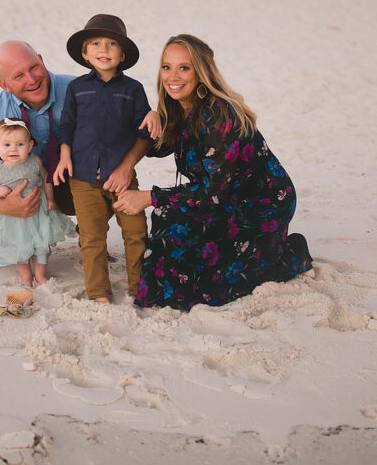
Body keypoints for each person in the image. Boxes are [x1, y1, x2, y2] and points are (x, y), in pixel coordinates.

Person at [114, 34, 314, 311]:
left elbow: (213, 193)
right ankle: (160, 293)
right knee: (170, 221)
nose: (173, 76)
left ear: (201, 72)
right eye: (166, 66)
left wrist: (148, 196)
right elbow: (156, 147)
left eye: (184, 68)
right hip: (223, 198)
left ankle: (291, 253)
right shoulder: (177, 107)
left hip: (260, 203)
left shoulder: (220, 115)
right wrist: (147, 117)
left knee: (216, 277)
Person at [0, 40, 151, 271]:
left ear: (42, 61)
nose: (32, 79)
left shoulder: (81, 89)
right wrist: (2, 206)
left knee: (107, 164)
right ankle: (5, 243)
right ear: (3, 85)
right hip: (27, 185)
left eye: (33, 67)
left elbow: (138, 133)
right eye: (19, 76)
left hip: (77, 182)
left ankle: (90, 236)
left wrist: (126, 165)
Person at [53, 14, 158, 303]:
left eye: (112, 44)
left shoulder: (133, 89)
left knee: (136, 231)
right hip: (82, 177)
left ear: (122, 55)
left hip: (121, 177)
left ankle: (140, 288)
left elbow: (145, 132)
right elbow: (67, 126)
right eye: (96, 44)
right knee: (92, 238)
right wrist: (64, 153)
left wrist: (152, 114)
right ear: (85, 54)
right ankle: (98, 291)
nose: (104, 49)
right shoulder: (77, 88)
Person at [0, 118, 73, 286]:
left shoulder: (35, 161)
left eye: (20, 144)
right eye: (6, 145)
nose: (13, 149)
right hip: (13, 217)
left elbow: (45, 179)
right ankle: (26, 276)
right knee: (18, 246)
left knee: (41, 244)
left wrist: (50, 199)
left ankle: (41, 275)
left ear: (30, 145)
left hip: (38, 212)